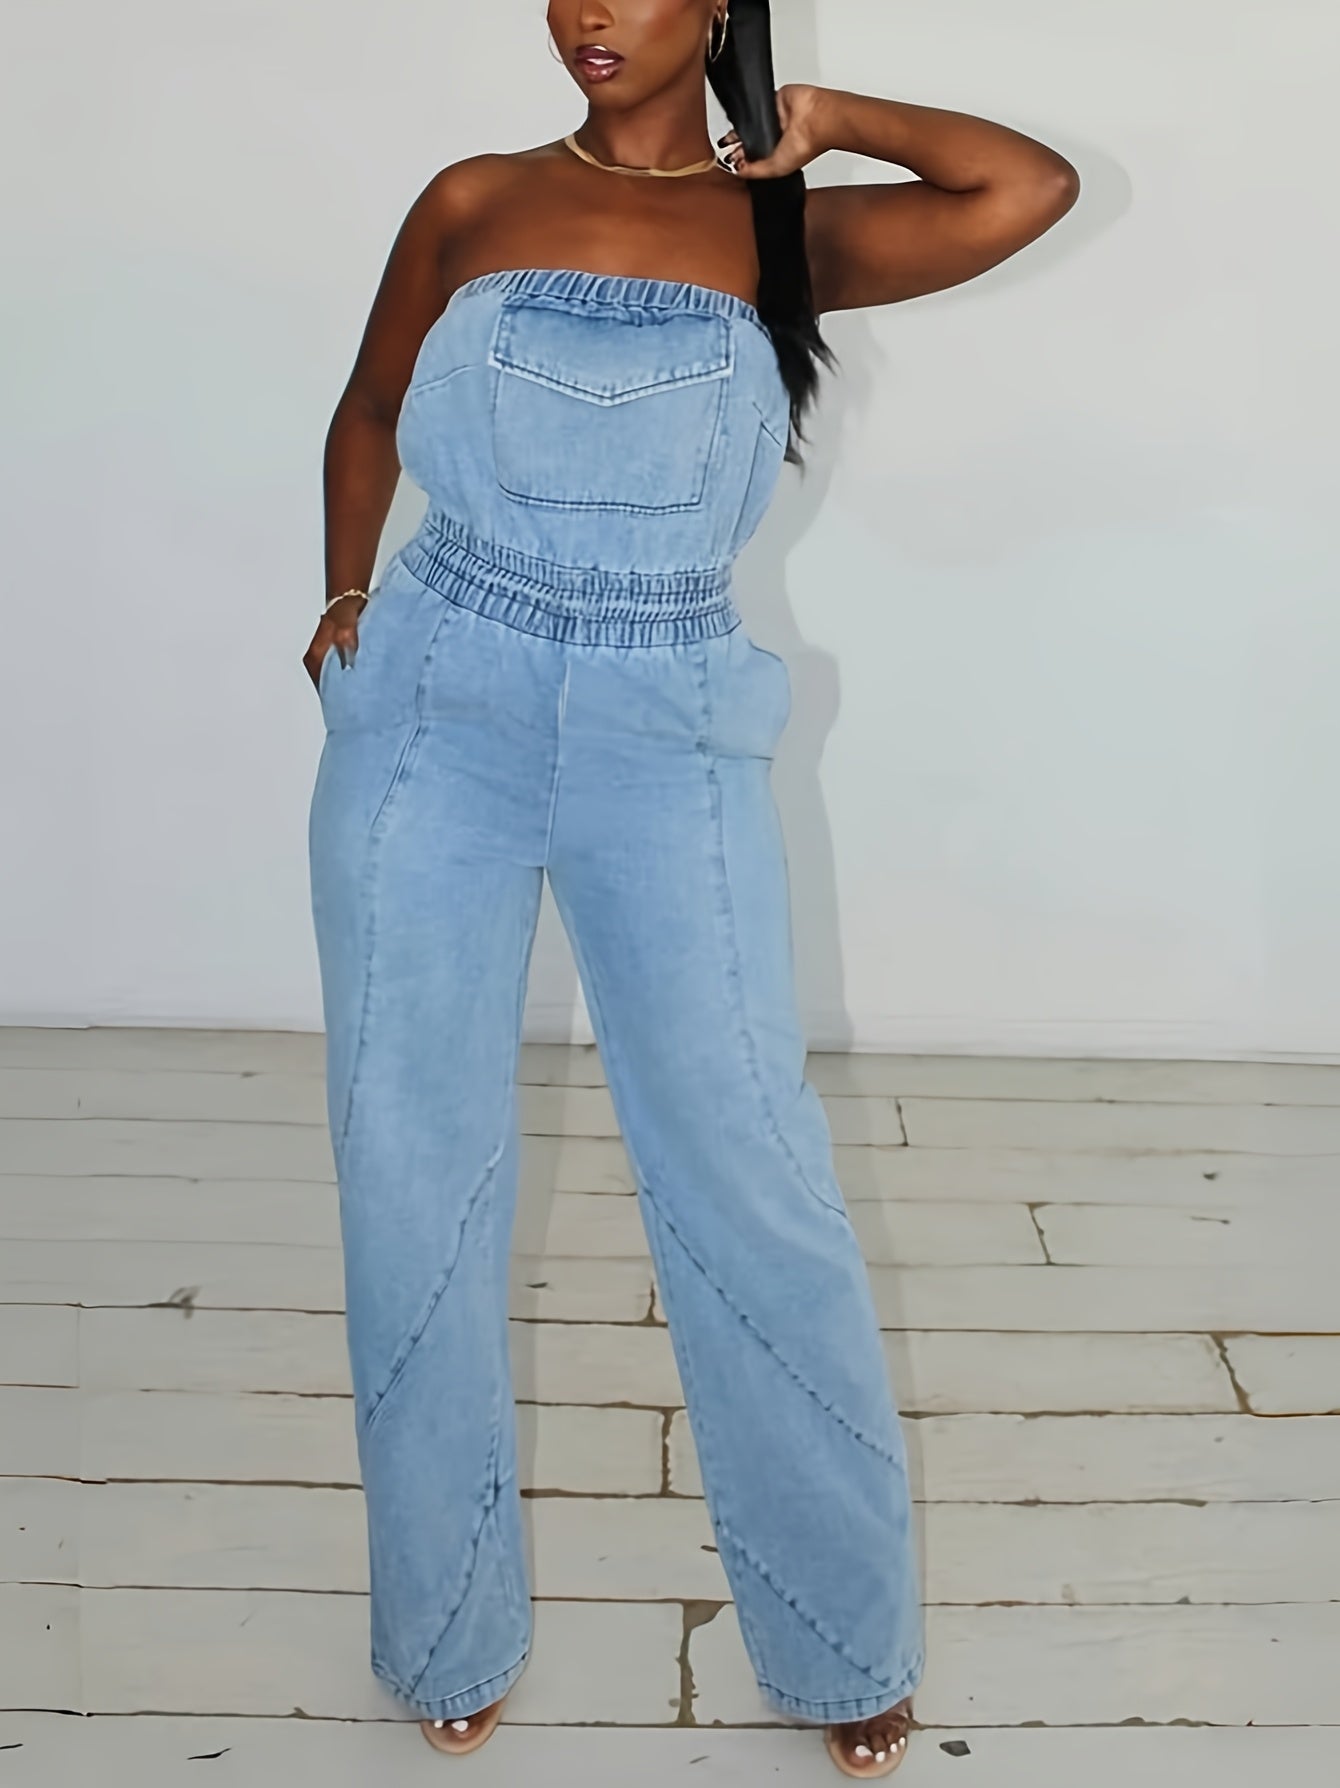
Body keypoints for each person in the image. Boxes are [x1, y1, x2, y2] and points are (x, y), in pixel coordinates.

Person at [304, 1, 1077, 1775]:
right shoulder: (472, 198)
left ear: (717, 6)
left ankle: (839, 1634)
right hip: (435, 708)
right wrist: (343, 605)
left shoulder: (781, 230)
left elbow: (1021, 187)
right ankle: (443, 1622)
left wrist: (828, 113)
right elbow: (367, 407)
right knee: (409, 1169)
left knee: (749, 1170)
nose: (588, 10)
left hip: (671, 724)